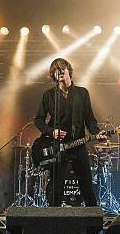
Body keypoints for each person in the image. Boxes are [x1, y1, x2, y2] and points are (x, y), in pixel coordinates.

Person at [33, 58, 107, 206]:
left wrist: (96, 132)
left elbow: (90, 119)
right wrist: (51, 132)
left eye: (62, 68)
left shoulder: (82, 93)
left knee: (87, 188)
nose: (59, 71)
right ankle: (54, 224)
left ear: (69, 71)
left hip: (78, 146)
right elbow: (38, 120)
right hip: (58, 147)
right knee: (56, 189)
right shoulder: (49, 95)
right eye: (55, 70)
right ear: (53, 75)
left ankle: (93, 226)